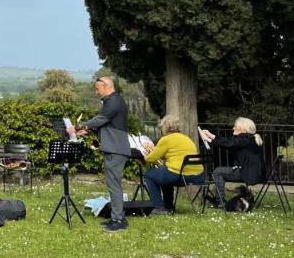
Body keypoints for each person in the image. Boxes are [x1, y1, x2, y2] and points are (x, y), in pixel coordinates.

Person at [76, 75, 131, 231]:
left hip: (116, 149)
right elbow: (106, 125)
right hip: (114, 148)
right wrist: (86, 131)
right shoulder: (113, 101)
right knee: (113, 184)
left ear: (106, 86)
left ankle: (118, 220)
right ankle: (117, 217)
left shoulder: (113, 101)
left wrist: (79, 126)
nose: (96, 92)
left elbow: (100, 119)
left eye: (97, 88)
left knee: (114, 185)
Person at [141, 115, 205, 214]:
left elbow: (151, 158)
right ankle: (168, 207)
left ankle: (159, 207)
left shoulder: (166, 139)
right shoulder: (187, 138)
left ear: (165, 127)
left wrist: (145, 154)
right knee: (164, 173)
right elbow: (176, 154)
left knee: (149, 175)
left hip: (179, 175)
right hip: (198, 175)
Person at [200, 117, 264, 209]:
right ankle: (220, 201)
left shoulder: (244, 139)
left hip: (248, 174)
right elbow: (229, 142)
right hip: (254, 173)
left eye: (235, 126)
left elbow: (229, 144)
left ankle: (220, 202)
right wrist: (212, 136)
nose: (233, 128)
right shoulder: (249, 138)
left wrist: (209, 139)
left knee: (218, 171)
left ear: (243, 129)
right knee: (220, 171)